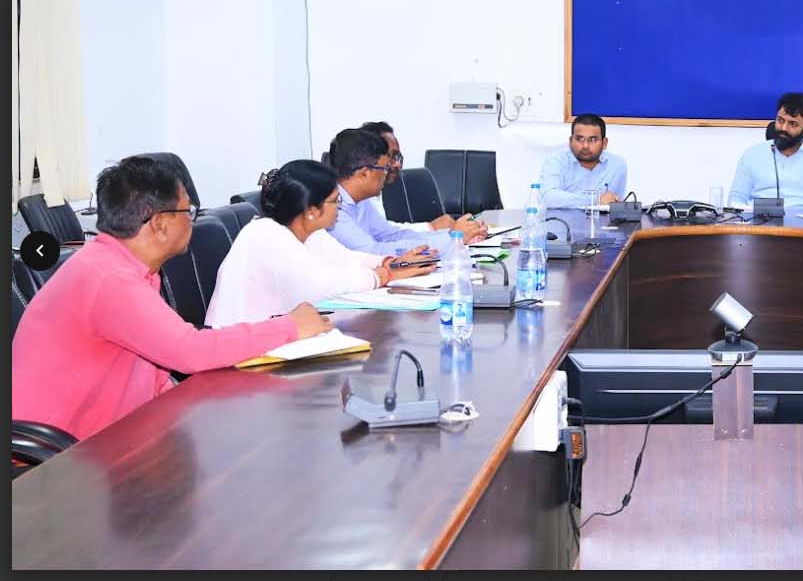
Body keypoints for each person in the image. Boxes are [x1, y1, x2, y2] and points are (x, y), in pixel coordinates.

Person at [11, 156, 333, 441]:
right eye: (187, 211)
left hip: (108, 437)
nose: (192, 219)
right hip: (55, 456)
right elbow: (190, 350)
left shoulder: (127, 267)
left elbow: (154, 365)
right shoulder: (109, 278)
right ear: (161, 225)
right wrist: (290, 326)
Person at [205, 159, 435, 327]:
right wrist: (383, 275)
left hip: (270, 340)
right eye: (335, 201)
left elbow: (344, 258)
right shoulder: (266, 235)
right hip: (238, 354)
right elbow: (322, 284)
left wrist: (391, 263)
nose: (340, 207)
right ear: (312, 210)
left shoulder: (306, 231)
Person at [325, 128, 487, 256]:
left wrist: (452, 235)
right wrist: (452, 240)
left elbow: (391, 236)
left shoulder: (360, 201)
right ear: (365, 173)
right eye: (384, 168)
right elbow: (373, 252)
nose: (387, 174)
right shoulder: (331, 208)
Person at [728, 92, 803, 213]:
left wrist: (799, 217)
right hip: (758, 220)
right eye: (780, 120)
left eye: (792, 123)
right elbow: (736, 198)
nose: (784, 128)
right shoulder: (753, 154)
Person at [540, 113, 629, 208]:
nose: (585, 145)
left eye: (593, 140)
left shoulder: (617, 165)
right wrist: (596, 200)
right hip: (561, 218)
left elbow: (616, 205)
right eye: (579, 139)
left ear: (604, 143)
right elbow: (548, 198)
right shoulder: (556, 162)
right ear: (571, 141)